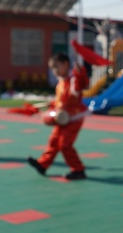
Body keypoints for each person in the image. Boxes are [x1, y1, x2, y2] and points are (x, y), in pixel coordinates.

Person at [27, 52, 88, 180]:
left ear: (66, 64)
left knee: (65, 144)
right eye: (52, 68)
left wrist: (80, 73)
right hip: (61, 119)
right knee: (53, 141)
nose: (54, 71)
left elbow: (79, 87)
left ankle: (78, 170)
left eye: (56, 67)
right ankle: (43, 164)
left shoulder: (72, 81)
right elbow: (58, 102)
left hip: (73, 118)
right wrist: (49, 106)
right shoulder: (60, 84)